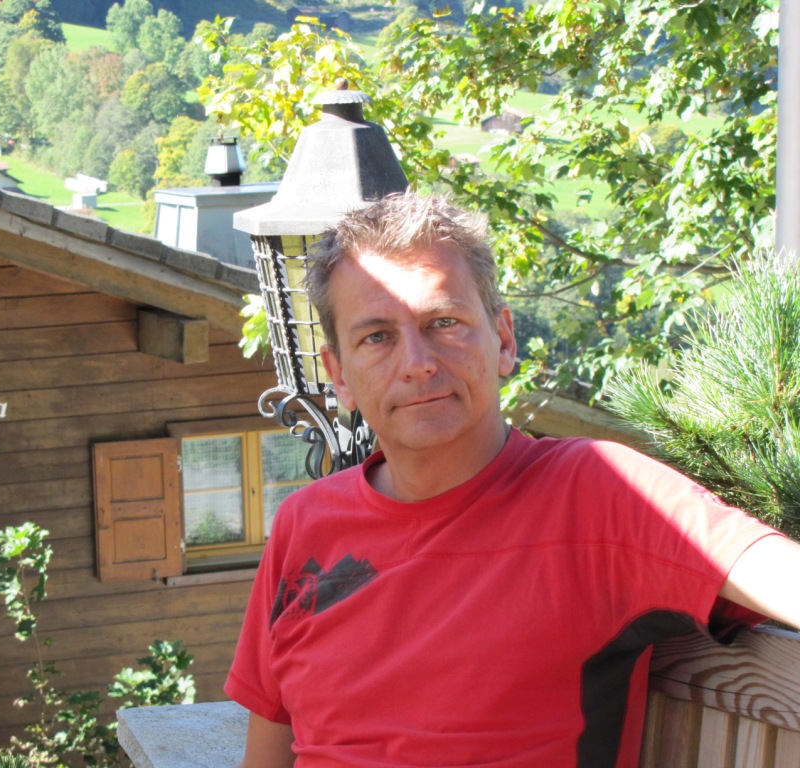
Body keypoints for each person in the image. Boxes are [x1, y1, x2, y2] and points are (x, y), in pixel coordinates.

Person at [225, 191, 800, 768]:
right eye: (377, 337)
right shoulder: (305, 524)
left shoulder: (598, 491)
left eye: (443, 322)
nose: (417, 362)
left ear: (503, 339)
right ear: (340, 376)